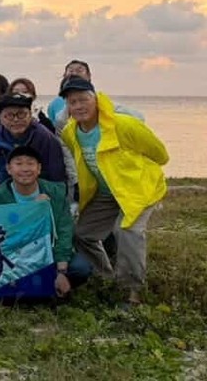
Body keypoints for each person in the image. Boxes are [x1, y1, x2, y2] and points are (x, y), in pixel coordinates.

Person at [58, 77, 168, 306]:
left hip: (137, 190)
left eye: (83, 99)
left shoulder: (123, 124)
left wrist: (137, 172)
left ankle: (132, 293)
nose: (78, 106)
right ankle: (107, 278)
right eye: (72, 102)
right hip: (106, 192)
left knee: (127, 230)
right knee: (82, 233)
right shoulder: (70, 132)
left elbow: (160, 154)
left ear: (96, 99)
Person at [0, 145, 92, 297]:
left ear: (39, 169)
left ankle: (53, 282)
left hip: (50, 253)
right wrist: (32, 211)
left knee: (81, 268)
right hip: (17, 256)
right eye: (19, 163)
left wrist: (62, 270)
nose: (25, 169)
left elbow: (64, 230)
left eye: (30, 163)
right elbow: (1, 238)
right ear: (9, 169)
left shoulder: (55, 193)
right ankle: (38, 286)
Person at [0, 93, 71, 198]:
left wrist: (49, 197)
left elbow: (57, 177)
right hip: (6, 189)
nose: (16, 120)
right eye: (9, 115)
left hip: (40, 192)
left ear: (30, 115)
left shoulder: (45, 137)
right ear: (0, 117)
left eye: (21, 114)